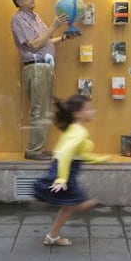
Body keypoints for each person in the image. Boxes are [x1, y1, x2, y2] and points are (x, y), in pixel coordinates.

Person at [11, 0, 77, 161]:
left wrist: (62, 38)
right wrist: (54, 26)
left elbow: (45, 41)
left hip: (44, 67)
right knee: (39, 109)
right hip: (36, 67)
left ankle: (39, 148)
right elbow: (34, 44)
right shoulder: (18, 20)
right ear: (19, 1)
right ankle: (34, 150)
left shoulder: (35, 17)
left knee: (45, 110)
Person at [34, 95, 109, 246]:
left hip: (65, 168)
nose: (93, 111)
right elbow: (66, 154)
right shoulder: (79, 132)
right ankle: (45, 207)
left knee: (68, 206)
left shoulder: (75, 129)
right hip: (65, 170)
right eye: (89, 108)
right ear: (78, 114)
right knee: (86, 203)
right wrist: (62, 178)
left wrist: (99, 159)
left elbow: (78, 154)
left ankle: (52, 236)